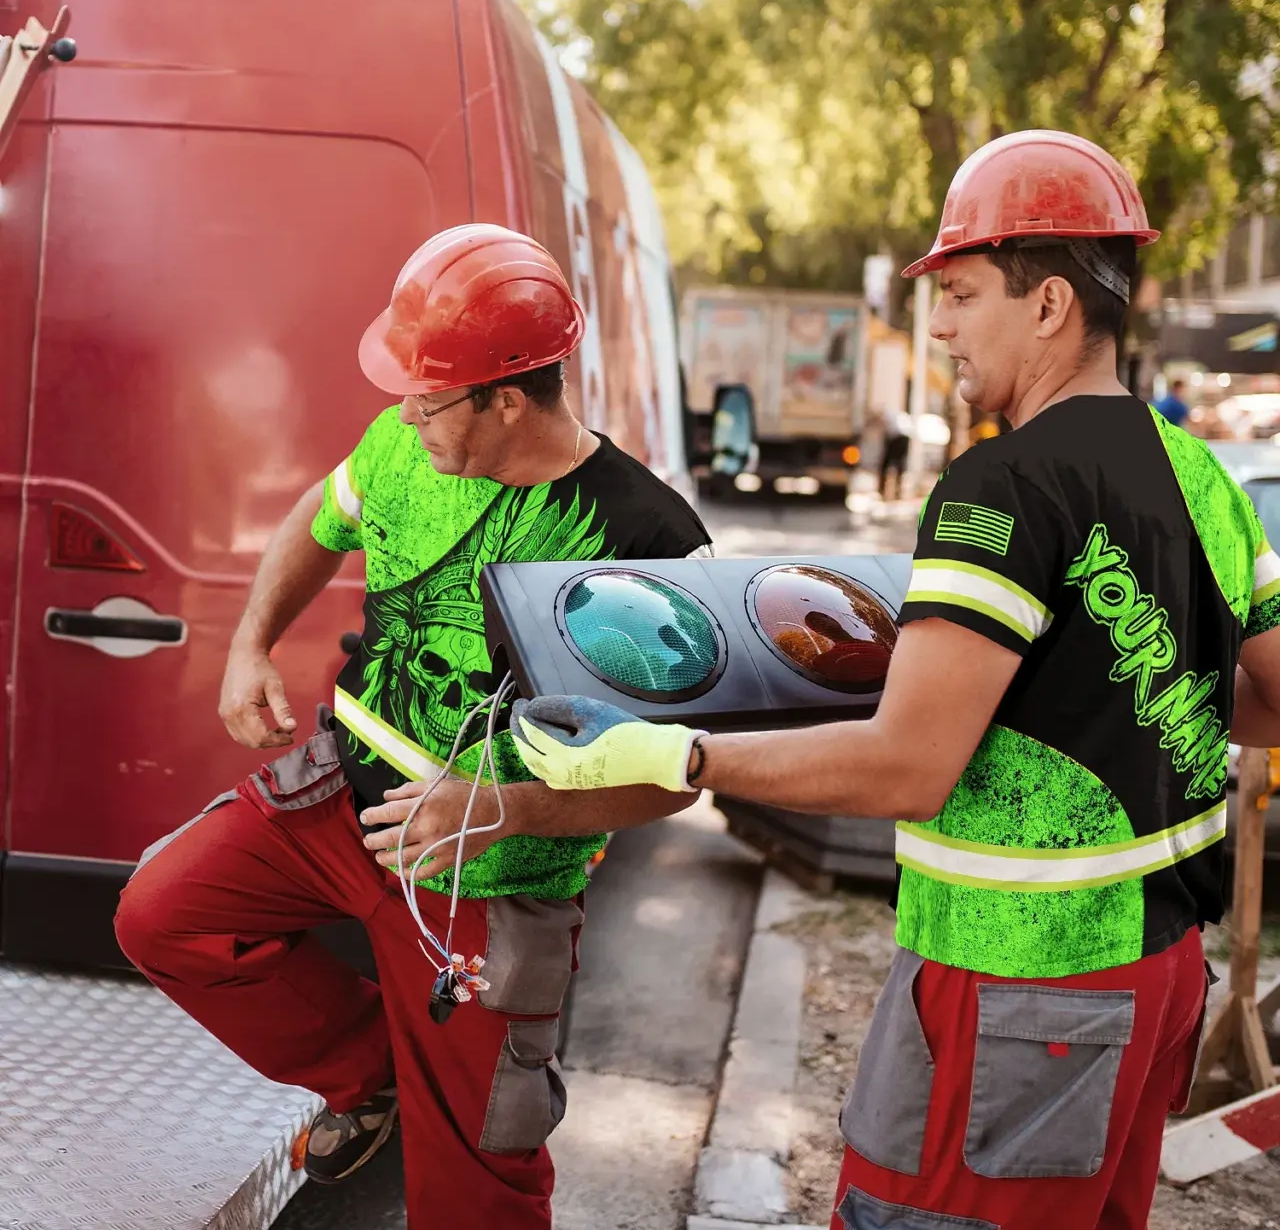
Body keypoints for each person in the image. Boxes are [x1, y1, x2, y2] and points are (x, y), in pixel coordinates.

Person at [406, 134, 1280, 1230]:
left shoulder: (1000, 488)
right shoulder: (1200, 475)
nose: (941, 326)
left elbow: (905, 767)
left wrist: (675, 753)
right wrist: (1105, 699)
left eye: (960, 293)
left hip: (1016, 982)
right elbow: (1267, 698)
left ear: (1050, 303)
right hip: (1160, 974)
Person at [114, 224, 710, 1230]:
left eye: (428, 398)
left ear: (507, 398)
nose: (404, 415)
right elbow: (323, 513)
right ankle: (380, 1070)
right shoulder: (402, 444)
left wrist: (504, 807)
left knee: (477, 1186)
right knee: (162, 914)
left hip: (494, 873)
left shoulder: (651, 541)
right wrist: (251, 642)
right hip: (336, 803)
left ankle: (437, 1088)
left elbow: (676, 776)